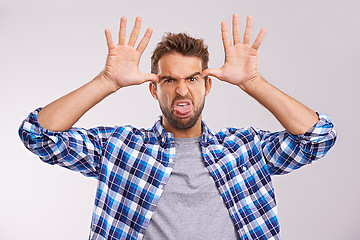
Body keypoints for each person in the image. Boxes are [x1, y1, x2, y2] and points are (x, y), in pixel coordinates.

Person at [19, 14, 336, 240]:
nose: (182, 90)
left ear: (207, 86)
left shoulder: (245, 148)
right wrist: (107, 81)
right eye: (169, 80)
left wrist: (253, 82)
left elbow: (318, 137)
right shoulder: (120, 148)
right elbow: (38, 135)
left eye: (192, 79)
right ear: (154, 89)